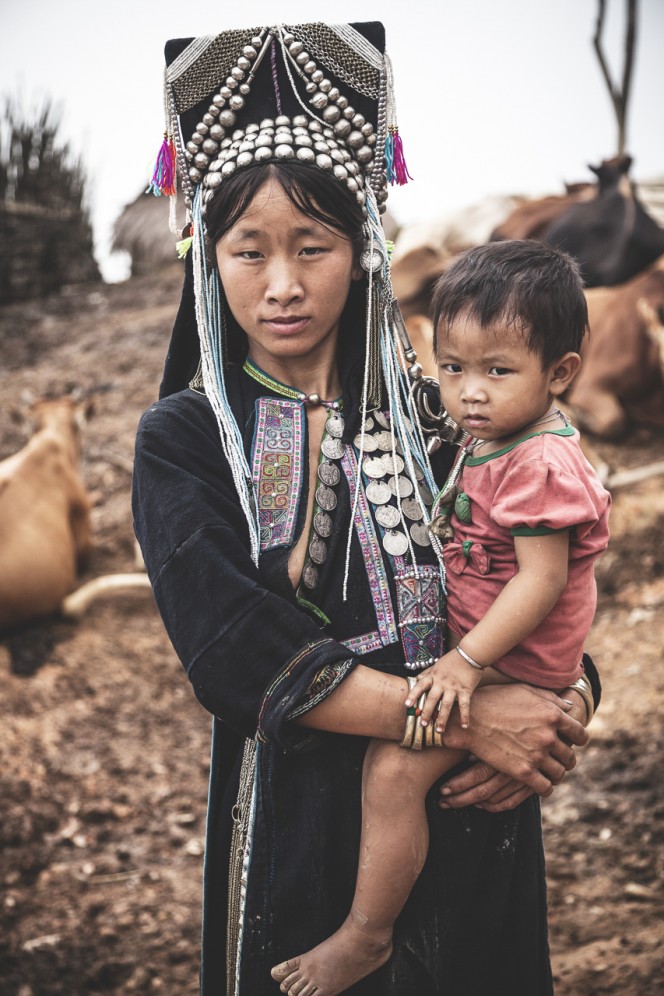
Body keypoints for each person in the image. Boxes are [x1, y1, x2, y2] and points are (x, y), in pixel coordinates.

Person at [132, 22, 598, 996]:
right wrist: (474, 724)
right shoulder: (185, 442)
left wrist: (563, 709)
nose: (285, 284)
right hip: (302, 831)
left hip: (476, 822)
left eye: (315, 245)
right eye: (247, 251)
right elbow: (233, 651)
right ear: (206, 261)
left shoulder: (448, 417)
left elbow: (543, 577)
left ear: (367, 251)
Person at [279, 240, 610, 995]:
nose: (468, 393)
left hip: (505, 663)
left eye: (497, 371)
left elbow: (542, 582)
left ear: (560, 374)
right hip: (492, 654)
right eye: (452, 367)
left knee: (394, 769)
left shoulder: (536, 461)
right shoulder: (490, 439)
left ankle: (365, 934)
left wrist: (465, 665)